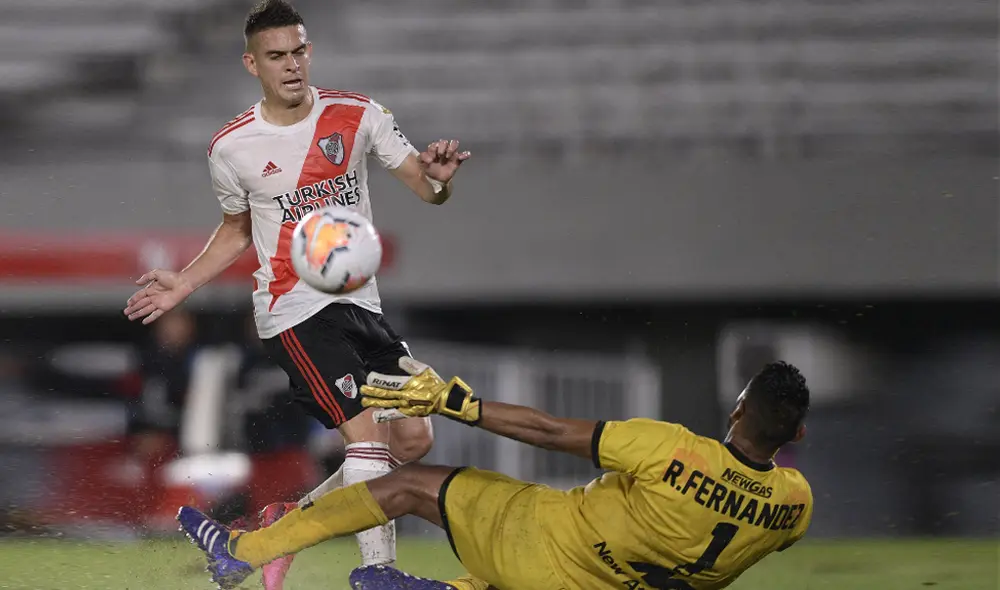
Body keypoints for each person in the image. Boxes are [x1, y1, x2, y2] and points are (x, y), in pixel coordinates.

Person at [123, 0, 470, 587]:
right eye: (276, 56)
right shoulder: (231, 147)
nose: (291, 65)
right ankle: (378, 574)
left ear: (311, 51)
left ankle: (280, 528)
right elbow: (235, 230)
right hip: (293, 310)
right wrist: (183, 280)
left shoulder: (360, 116)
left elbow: (426, 187)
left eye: (299, 51)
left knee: (411, 437)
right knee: (364, 441)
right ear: (251, 63)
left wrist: (438, 183)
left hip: (361, 305)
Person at [178, 358, 814, 590]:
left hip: (538, 544)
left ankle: (243, 550)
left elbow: (548, 432)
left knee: (404, 486)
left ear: (736, 409)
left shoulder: (672, 449)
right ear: (798, 434)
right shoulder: (794, 506)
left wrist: (461, 405)